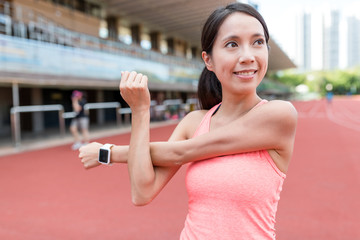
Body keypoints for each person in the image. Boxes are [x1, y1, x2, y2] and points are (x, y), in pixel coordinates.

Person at [79, 3, 297, 239]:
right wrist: (141, 112)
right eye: (232, 44)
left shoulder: (280, 115)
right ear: (208, 60)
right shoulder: (194, 122)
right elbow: (142, 192)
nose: (247, 56)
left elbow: (181, 152)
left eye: (258, 42)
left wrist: (108, 153)